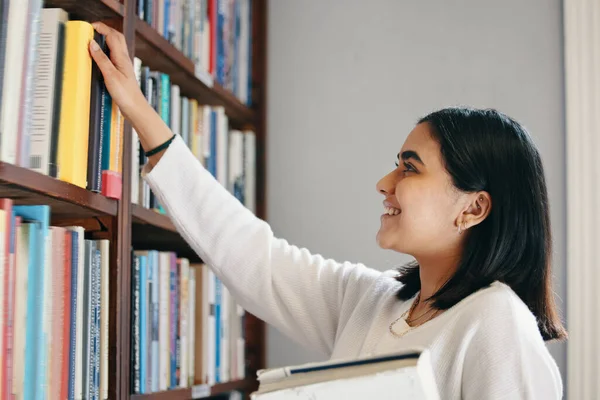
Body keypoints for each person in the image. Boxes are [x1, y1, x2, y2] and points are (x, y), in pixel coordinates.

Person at [89, 22, 566, 399]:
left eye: (410, 169)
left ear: (474, 207)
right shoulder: (373, 301)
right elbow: (254, 257)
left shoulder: (497, 322)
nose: (384, 184)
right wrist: (140, 113)